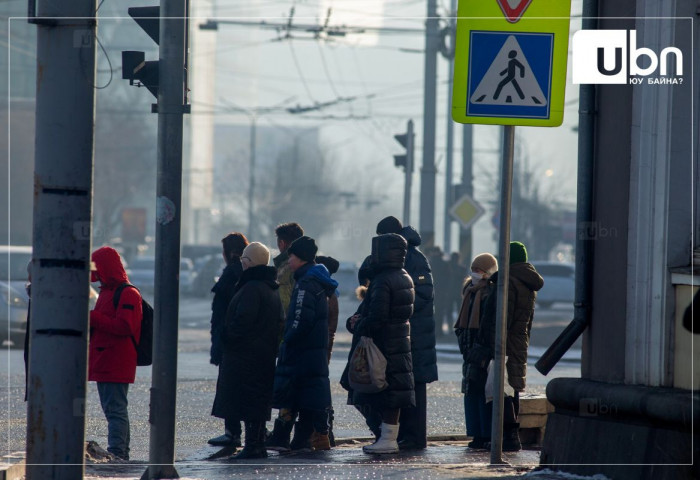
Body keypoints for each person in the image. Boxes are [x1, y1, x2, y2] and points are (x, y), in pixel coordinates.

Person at [210, 242, 284, 460]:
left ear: (249, 262)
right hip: (262, 354)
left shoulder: (251, 288)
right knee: (256, 401)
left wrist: (226, 336)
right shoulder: (269, 287)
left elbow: (242, 322)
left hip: (245, 355)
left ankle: (253, 447)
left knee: (247, 401)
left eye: (244, 259)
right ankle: (256, 444)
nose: (241, 262)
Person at [468, 241, 544, 451]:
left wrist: (489, 346)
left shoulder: (508, 282)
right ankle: (509, 437)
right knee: (509, 388)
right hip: (517, 342)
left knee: (499, 391)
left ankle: (508, 438)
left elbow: (500, 320)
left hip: (502, 345)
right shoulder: (525, 281)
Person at [373, 216, 437, 450]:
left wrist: (398, 308)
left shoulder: (415, 258)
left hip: (416, 332)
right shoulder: (396, 256)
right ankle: (403, 435)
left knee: (415, 384)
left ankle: (415, 437)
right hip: (405, 330)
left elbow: (423, 295)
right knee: (403, 384)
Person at [271, 236, 338, 452]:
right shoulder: (317, 280)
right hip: (314, 350)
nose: (289, 260)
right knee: (309, 395)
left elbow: (300, 321)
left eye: (291, 256)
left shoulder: (306, 284)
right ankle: (305, 439)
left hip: (302, 351)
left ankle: (308, 439)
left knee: (300, 393)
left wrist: (286, 341)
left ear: (300, 258)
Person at [351, 233, 415, 454]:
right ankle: (388, 438)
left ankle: (386, 440)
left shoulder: (382, 280)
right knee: (393, 390)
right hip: (399, 340)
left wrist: (359, 324)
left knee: (383, 389)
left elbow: (377, 316)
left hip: (384, 342)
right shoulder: (404, 276)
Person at [89, 246, 143, 461]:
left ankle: (118, 452)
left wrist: (93, 318)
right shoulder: (106, 292)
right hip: (105, 360)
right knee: (113, 409)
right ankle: (120, 451)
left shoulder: (128, 293)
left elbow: (124, 326)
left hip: (116, 360)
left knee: (115, 410)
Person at [453, 253, 498, 450]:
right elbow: (462, 323)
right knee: (471, 393)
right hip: (468, 350)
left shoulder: (489, 292)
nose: (475, 273)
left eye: (479, 270)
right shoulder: (469, 290)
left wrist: (481, 348)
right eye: (474, 269)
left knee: (483, 394)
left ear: (488, 272)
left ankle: (486, 435)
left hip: (482, 351)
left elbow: (488, 324)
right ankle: (476, 434)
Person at [208, 232, 249, 448]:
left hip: (230, 340)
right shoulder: (247, 271)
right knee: (246, 386)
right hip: (244, 341)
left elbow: (222, 314)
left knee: (229, 387)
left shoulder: (231, 274)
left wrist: (219, 342)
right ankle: (245, 431)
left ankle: (233, 432)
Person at [267, 222, 305, 450]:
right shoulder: (309, 267)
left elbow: (284, 306)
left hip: (288, 339)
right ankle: (309, 434)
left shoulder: (286, 270)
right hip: (303, 339)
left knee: (288, 388)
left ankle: (282, 434)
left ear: (282, 244)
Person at [315, 255, 340, 446]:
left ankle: (323, 431)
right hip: (325, 348)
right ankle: (326, 431)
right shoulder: (332, 294)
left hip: (321, 349)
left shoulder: (328, 295)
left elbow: (329, 330)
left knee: (319, 392)